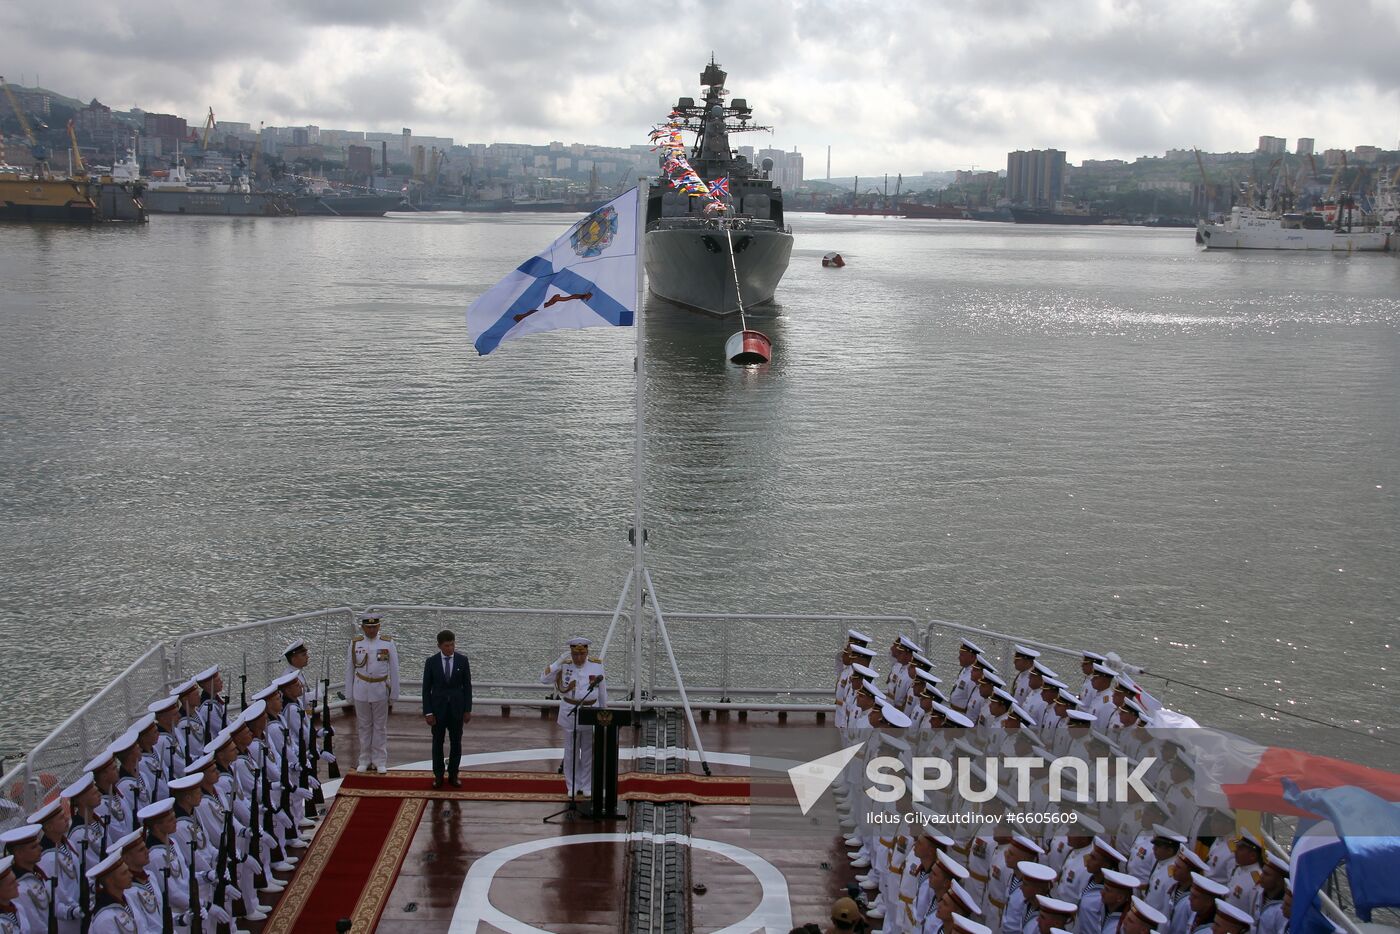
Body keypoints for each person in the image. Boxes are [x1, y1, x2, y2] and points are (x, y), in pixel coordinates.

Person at [540, 637, 607, 798]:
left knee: (588, 751)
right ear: (570, 653)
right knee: (571, 751)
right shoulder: (565, 666)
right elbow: (543, 679)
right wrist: (558, 662)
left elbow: (602, 691)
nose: (578, 658)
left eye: (581, 654)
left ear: (586, 653)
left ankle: (586, 785)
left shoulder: (596, 666)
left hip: (590, 711)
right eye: (575, 655)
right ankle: (572, 785)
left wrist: (603, 712)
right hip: (570, 710)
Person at [345, 613, 400, 772]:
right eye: (368, 627)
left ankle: (379, 760)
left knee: (380, 726)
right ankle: (364, 758)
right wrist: (349, 693)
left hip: (380, 689)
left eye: (374, 627)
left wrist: (394, 693)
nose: (371, 630)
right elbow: (349, 669)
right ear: (362, 628)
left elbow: (394, 669)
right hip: (361, 688)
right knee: (364, 726)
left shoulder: (387, 643)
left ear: (379, 627)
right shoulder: (355, 644)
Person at [422, 629, 474, 789]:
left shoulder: (462, 661)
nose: (450, 648)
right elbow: (426, 689)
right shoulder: (431, 662)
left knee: (456, 742)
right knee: (437, 742)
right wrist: (428, 712)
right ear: (439, 646)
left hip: (457, 709)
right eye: (447, 645)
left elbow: (467, 687)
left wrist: (467, 709)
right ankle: (438, 775)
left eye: (452, 645)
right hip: (438, 710)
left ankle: (453, 774)